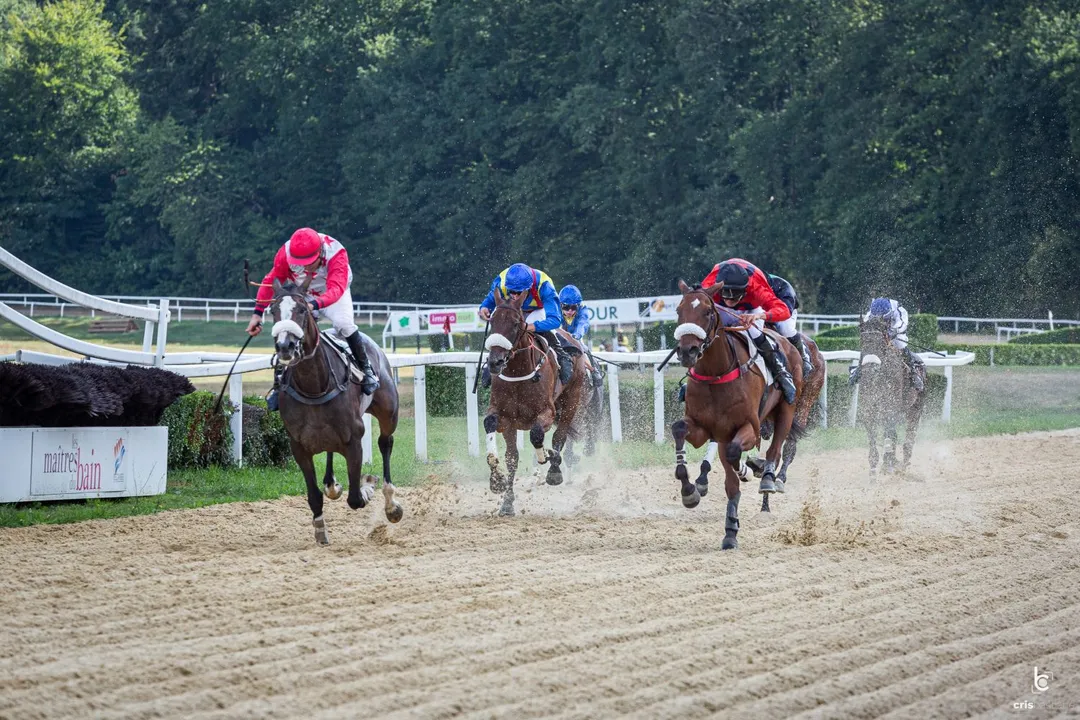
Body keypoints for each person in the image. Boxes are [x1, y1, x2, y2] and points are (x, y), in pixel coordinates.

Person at [246, 228, 378, 410]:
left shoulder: (336, 253)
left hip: (334, 293)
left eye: (309, 263)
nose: (305, 268)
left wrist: (314, 305)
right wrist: (257, 313)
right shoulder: (284, 253)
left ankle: (367, 370)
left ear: (320, 252)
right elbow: (271, 281)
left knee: (344, 324)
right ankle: (279, 384)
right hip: (304, 293)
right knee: (287, 328)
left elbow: (336, 289)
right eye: (300, 264)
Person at [701, 258, 797, 404]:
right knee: (706, 330)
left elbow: (783, 310)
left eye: (734, 297)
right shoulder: (710, 283)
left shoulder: (756, 287)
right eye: (726, 295)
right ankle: (694, 378)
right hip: (720, 306)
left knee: (755, 332)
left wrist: (759, 316)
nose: (730, 301)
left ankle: (782, 373)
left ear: (746, 289)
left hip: (751, 308)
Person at [478, 263, 572, 387]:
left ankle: (561, 356)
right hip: (513, 310)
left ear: (529, 287)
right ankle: (492, 360)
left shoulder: (545, 286)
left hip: (536, 310)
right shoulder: (501, 282)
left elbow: (555, 320)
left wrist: (530, 326)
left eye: (519, 292)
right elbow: (491, 298)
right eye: (512, 291)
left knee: (540, 325)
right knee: (501, 324)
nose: (515, 296)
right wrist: (484, 307)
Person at [859, 297, 925, 391]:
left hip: (895, 333)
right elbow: (866, 322)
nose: (883, 320)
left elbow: (902, 324)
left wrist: (894, 331)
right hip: (879, 334)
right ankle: (858, 370)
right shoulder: (872, 311)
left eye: (885, 318)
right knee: (868, 345)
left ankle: (913, 373)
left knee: (900, 344)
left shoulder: (900, 310)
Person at [559, 285, 603, 388]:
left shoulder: (583, 309)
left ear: (578, 306)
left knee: (584, 349)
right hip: (559, 337)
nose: (570, 311)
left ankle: (594, 371)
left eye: (573, 308)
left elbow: (583, 324)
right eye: (566, 307)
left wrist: (576, 336)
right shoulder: (555, 307)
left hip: (575, 337)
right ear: (560, 305)